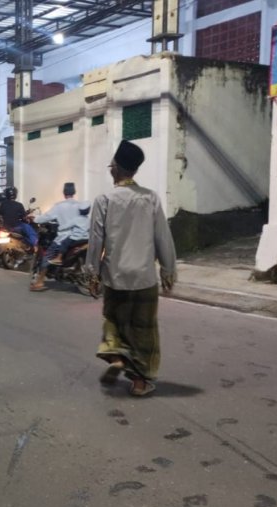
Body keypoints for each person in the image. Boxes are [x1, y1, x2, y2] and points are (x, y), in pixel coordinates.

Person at [86, 140, 177, 397]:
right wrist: (168, 270)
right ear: (134, 171)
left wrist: (92, 273)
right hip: (144, 278)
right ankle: (139, 382)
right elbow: (163, 237)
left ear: (114, 168)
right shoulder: (150, 198)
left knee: (114, 321)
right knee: (144, 330)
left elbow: (95, 240)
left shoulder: (104, 200)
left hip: (115, 276)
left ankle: (116, 356)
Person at [29, 182, 90, 292]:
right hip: (81, 237)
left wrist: (34, 218)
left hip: (63, 238)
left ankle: (39, 282)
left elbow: (46, 217)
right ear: (74, 192)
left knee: (46, 257)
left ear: (64, 192)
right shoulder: (80, 205)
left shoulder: (59, 206)